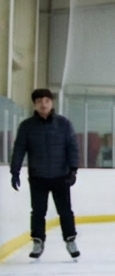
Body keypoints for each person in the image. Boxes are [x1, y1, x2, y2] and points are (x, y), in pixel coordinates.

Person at [8, 88, 80, 260]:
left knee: (65, 211)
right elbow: (19, 149)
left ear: (51, 103)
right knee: (38, 211)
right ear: (35, 104)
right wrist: (15, 171)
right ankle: (38, 242)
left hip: (61, 176)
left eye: (46, 101)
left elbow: (72, 147)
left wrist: (73, 169)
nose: (43, 104)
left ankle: (70, 240)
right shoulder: (27, 126)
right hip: (38, 176)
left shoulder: (64, 124)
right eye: (39, 101)